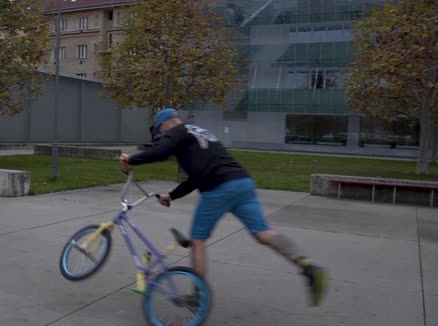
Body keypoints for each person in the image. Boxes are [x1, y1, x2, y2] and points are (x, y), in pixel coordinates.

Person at [120, 108, 328, 306]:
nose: (161, 134)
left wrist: (132, 159)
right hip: (242, 183)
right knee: (262, 233)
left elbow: (160, 152)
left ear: (166, 124)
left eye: (160, 129)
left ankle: (197, 297)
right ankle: (306, 265)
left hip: (219, 188)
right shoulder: (199, 132)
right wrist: (171, 196)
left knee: (198, 240)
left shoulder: (177, 131)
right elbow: (195, 178)